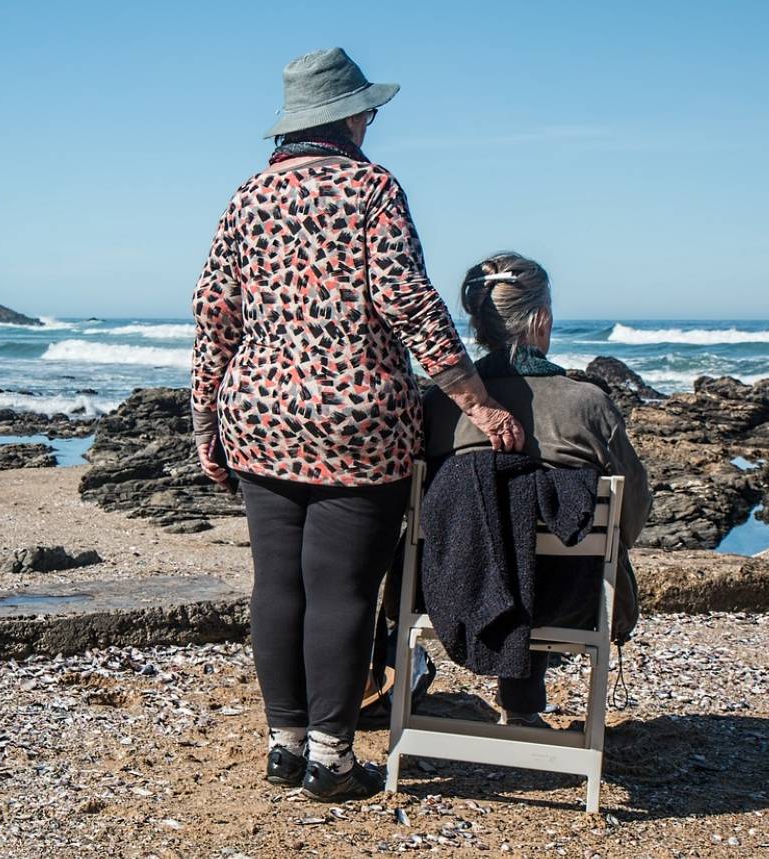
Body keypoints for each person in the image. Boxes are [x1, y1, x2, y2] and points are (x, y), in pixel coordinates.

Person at [190, 47, 524, 801]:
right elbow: (408, 300)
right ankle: (331, 760)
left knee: (276, 583)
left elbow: (214, 315)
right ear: (346, 115)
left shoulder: (246, 197)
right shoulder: (372, 189)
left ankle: (284, 744)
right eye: (367, 110)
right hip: (358, 419)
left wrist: (205, 420)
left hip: (261, 413)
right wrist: (475, 398)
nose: (371, 120)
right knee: (341, 587)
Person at [423, 252, 651, 727]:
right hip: (570, 598)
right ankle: (524, 709)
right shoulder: (587, 404)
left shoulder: (439, 405)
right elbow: (632, 512)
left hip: (451, 593)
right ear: (540, 319)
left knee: (493, 534)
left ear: (479, 324)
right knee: (546, 552)